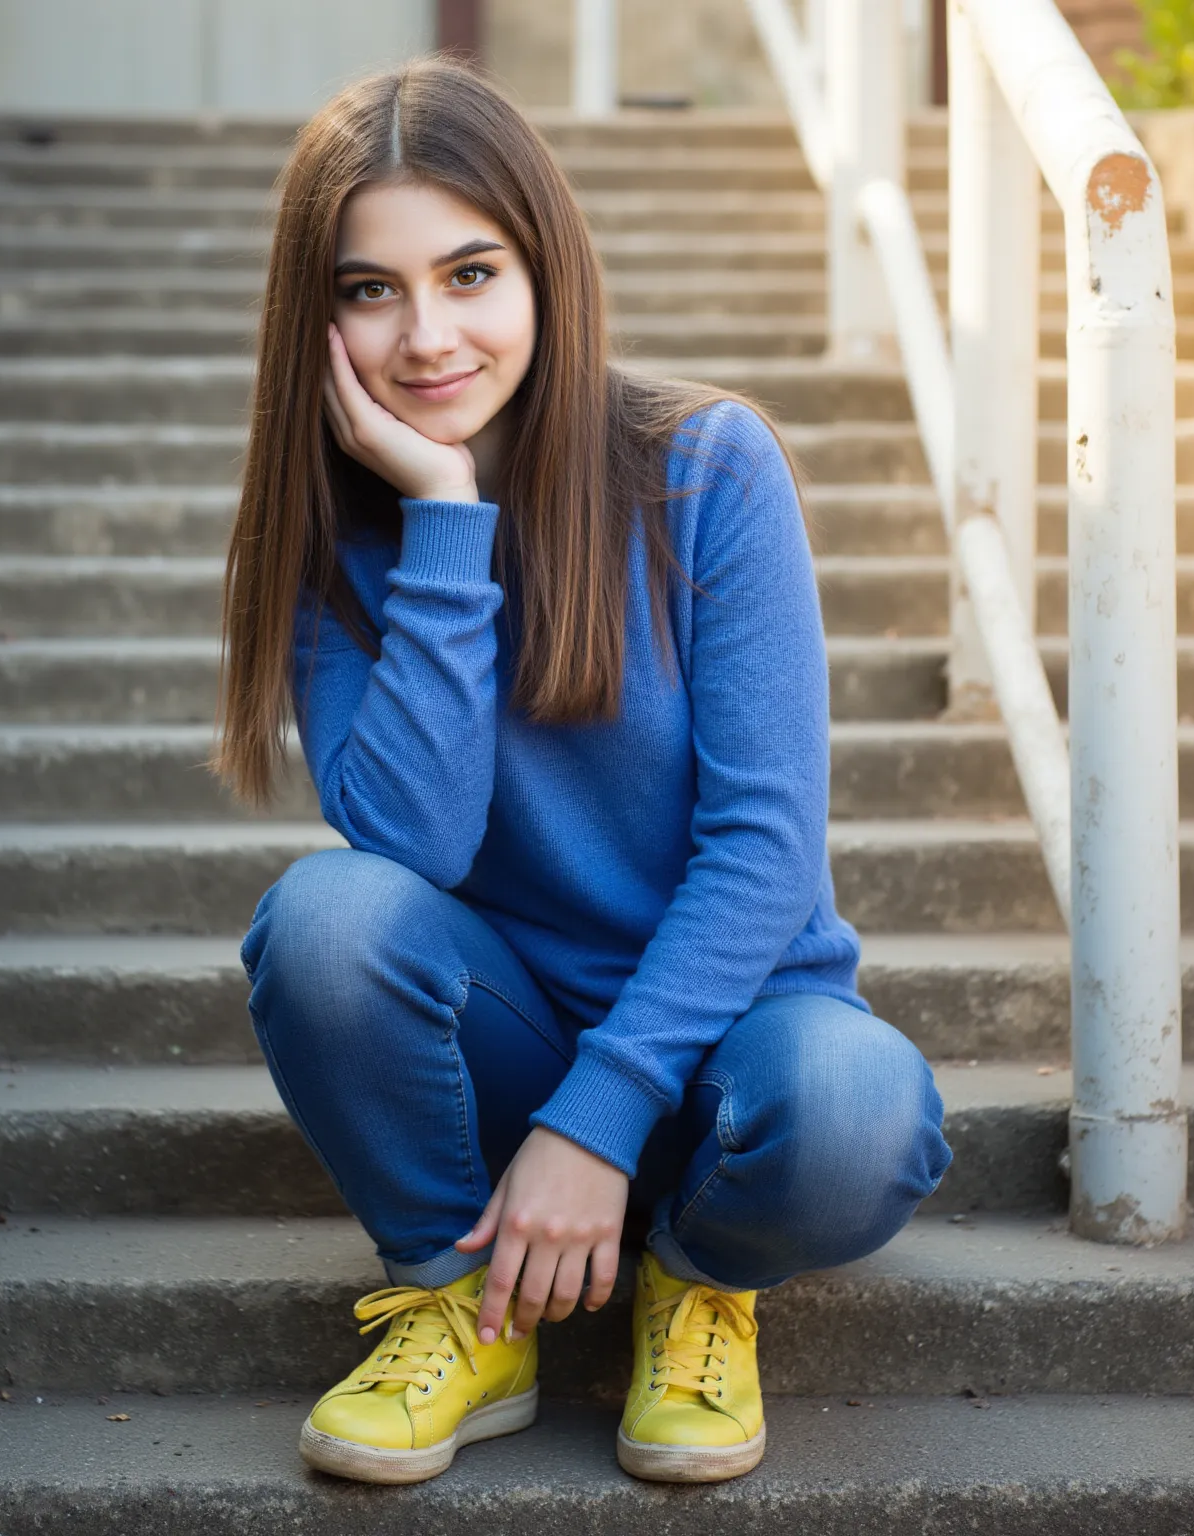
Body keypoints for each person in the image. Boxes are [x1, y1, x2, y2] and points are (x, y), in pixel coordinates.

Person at [213, 54, 953, 1488]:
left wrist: (602, 1118)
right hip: (502, 1040)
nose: (426, 333)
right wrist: (444, 516)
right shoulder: (329, 548)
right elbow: (410, 854)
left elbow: (763, 851)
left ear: (546, 265)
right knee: (323, 921)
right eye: (370, 290)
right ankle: (460, 1295)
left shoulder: (705, 468)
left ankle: (692, 1275)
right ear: (315, 322)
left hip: (739, 1031)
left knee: (864, 1116)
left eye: (470, 272)